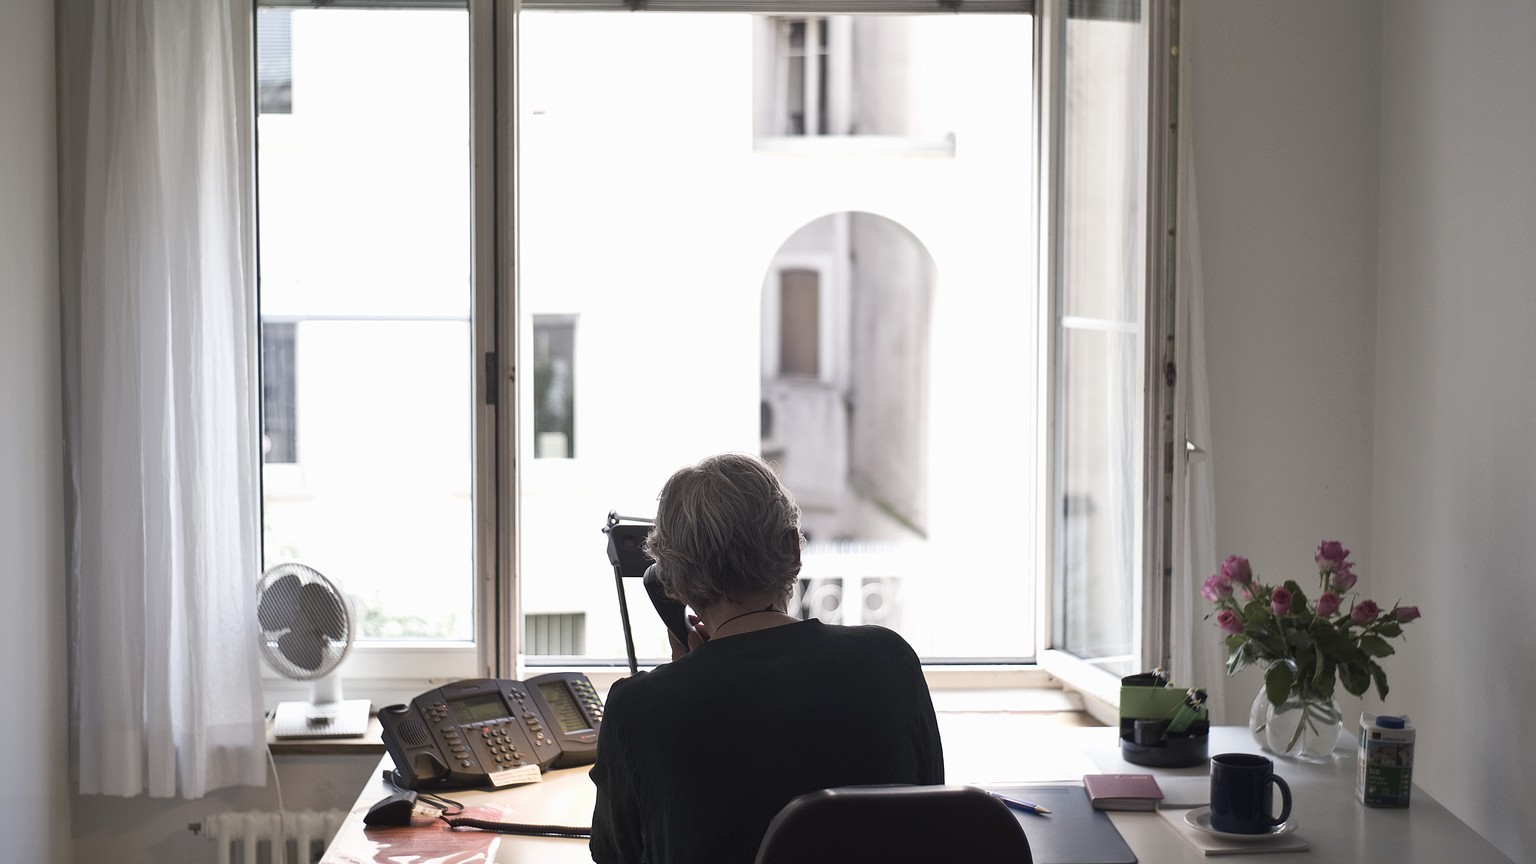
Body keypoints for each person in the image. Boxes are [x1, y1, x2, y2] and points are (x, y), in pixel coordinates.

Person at [589, 452, 944, 864]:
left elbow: (616, 856)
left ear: (669, 581)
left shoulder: (639, 708)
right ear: (793, 547)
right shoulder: (890, 661)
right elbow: (929, 807)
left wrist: (683, 677)